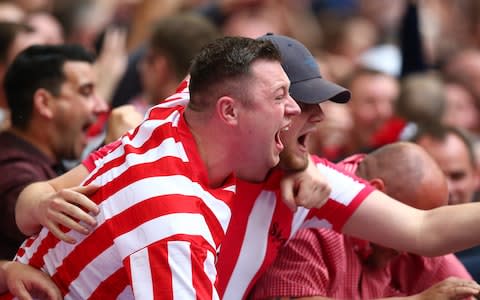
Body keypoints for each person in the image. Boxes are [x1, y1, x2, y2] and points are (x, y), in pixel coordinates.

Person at [8, 34, 480, 300]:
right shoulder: (173, 216)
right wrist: (33, 205)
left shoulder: (297, 169)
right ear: (230, 112)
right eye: (289, 100)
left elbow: (424, 228)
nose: (308, 113)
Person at [6, 36, 302, 299]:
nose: (295, 108)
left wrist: (302, 161)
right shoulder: (173, 230)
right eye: (280, 97)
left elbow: (226, 66)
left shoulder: (179, 108)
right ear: (229, 111)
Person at [251, 142, 476, 299]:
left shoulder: (414, 207)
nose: (409, 251)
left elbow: (430, 233)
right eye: (411, 215)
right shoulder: (315, 204)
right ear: (378, 192)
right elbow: (425, 228)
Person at [0, 44, 108, 260]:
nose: (101, 106)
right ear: (44, 103)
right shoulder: (10, 168)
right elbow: (28, 201)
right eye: (86, 92)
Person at [412, 124, 480, 282]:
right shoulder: (387, 245)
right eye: (435, 176)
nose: (447, 188)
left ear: (477, 176)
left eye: (457, 176)